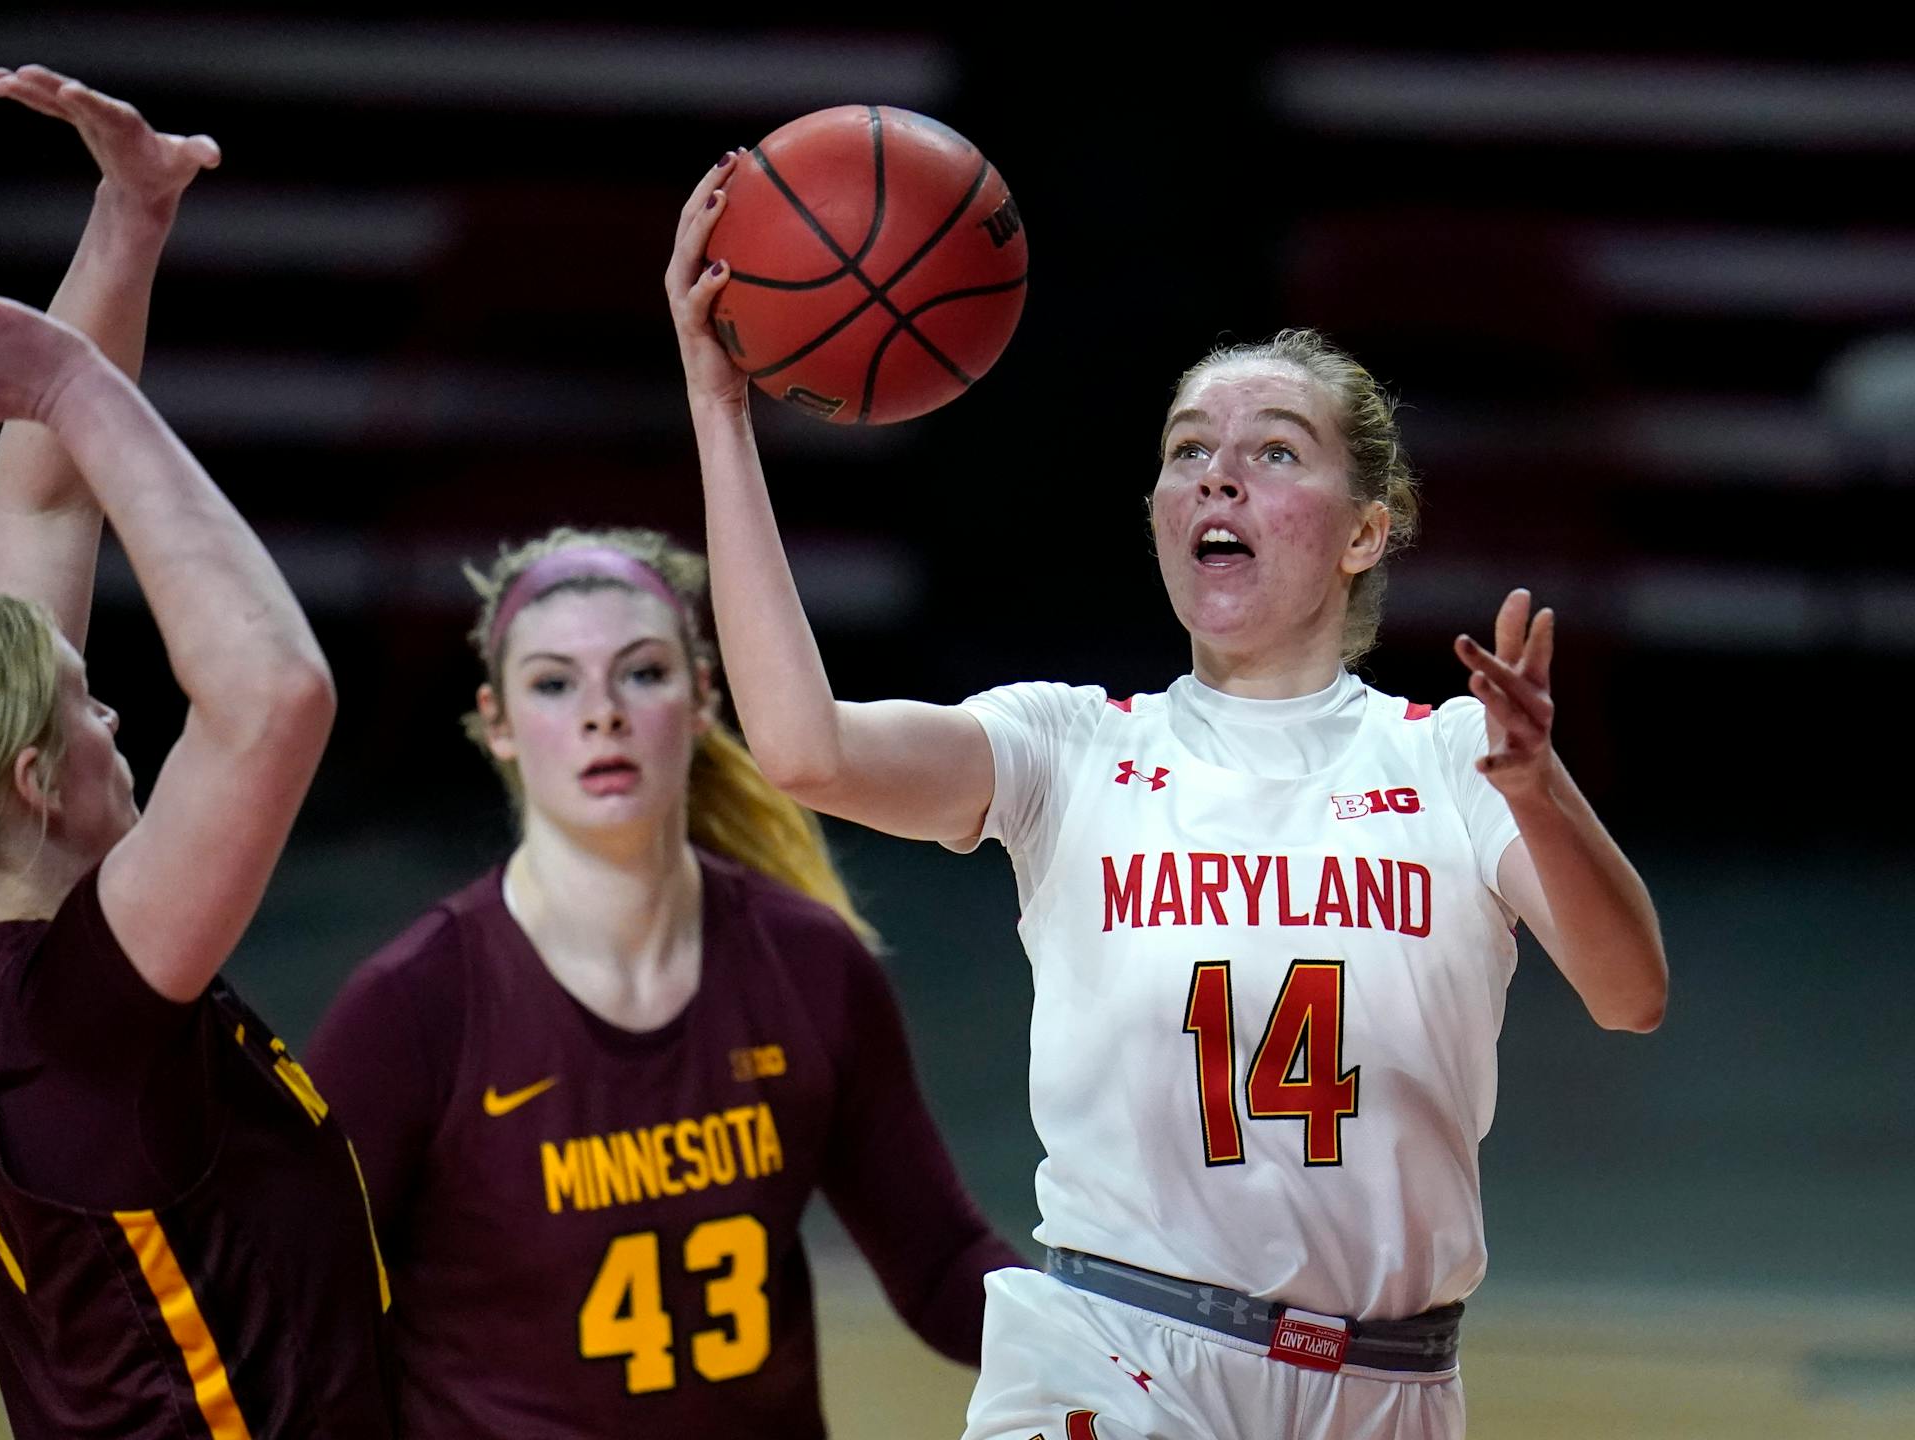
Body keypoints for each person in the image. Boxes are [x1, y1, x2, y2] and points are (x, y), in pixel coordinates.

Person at [665, 151, 1669, 1439]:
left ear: (1367, 529)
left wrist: (1537, 791)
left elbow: (1631, 996)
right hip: (1112, 1356)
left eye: (1273, 451)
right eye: (1188, 450)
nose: (1217, 475)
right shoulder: (1065, 749)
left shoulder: (1455, 759)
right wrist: (720, 410)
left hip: (1391, 1386)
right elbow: (805, 749)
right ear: (1155, 514)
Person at [0, 69, 393, 1439]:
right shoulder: (82, 1019)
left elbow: (50, 493)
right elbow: (271, 696)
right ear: (33, 779)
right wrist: (76, 386)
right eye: (87, 707)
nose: (117, 721)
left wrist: (128, 220)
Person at [304, 525, 1026, 1439]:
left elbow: (940, 1260)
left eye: (642, 673)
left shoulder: (807, 963)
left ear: (702, 701)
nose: (601, 712)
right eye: (554, 683)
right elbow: (297, 1311)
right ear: (498, 723)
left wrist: (1118, 1347)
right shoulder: (413, 1008)